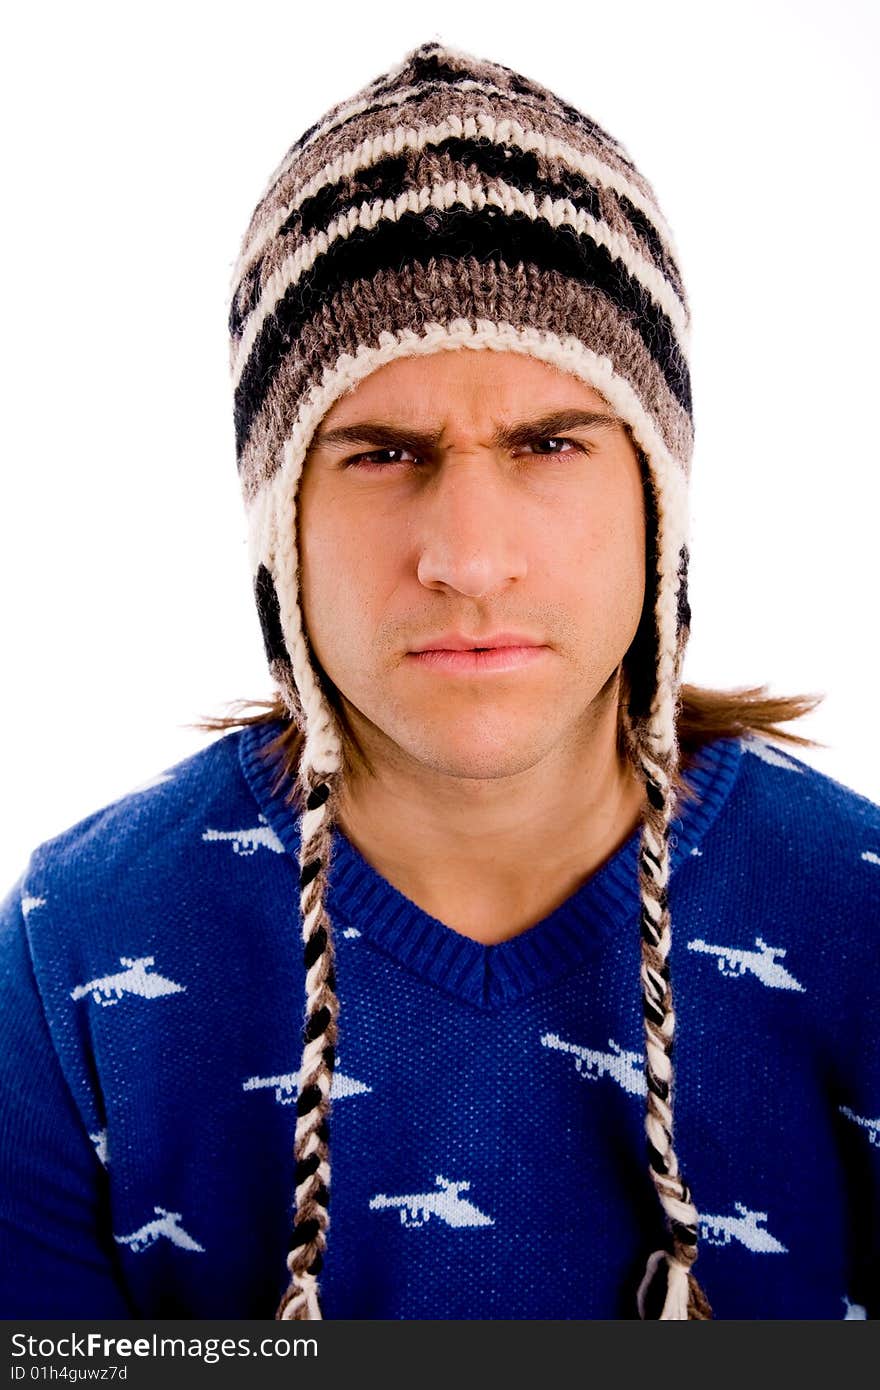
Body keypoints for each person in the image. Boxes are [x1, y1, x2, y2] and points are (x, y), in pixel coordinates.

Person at [1, 38, 878, 1323]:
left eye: (548, 441)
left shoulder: (857, 925)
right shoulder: (72, 954)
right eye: (382, 452)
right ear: (276, 523)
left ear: (659, 500)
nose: (467, 558)